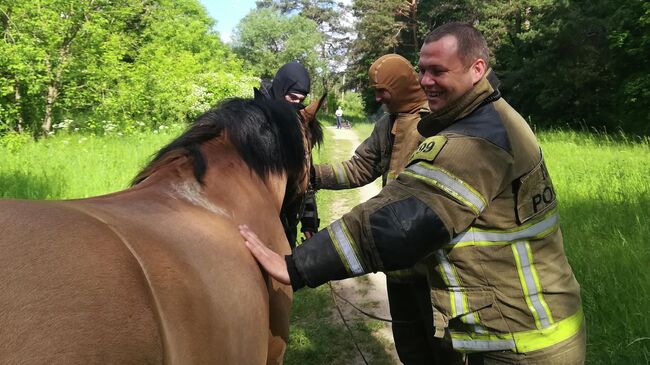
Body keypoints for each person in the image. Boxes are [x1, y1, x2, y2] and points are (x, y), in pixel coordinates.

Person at [241, 22, 585, 364]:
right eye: (422, 70)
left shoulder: (473, 140)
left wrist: (298, 266)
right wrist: (307, 175)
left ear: (477, 69)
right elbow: (362, 168)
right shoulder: (465, 118)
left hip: (521, 337)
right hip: (501, 321)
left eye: (437, 71)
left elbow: (400, 222)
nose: (425, 81)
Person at [312, 54, 440, 363]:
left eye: (383, 90)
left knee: (444, 351)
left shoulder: (438, 118)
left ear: (400, 86)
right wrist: (311, 176)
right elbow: (359, 168)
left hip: (435, 267)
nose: (377, 96)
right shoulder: (387, 123)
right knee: (411, 350)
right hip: (398, 263)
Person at [259, 61, 321, 247]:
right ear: (281, 89)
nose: (296, 105)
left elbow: (304, 171)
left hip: (287, 221)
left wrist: (309, 220)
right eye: (292, 98)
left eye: (301, 100)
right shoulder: (252, 118)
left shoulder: (298, 120)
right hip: (255, 220)